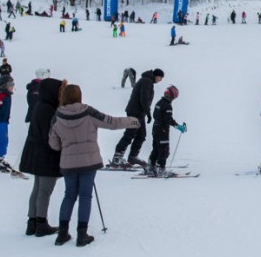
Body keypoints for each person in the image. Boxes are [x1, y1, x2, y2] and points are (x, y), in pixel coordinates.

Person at [49, 84, 139, 246]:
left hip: (68, 163)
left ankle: (62, 234)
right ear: (79, 96)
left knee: (69, 195)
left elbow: (54, 145)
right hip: (88, 162)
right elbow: (112, 122)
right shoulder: (88, 112)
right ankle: (82, 234)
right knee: (85, 196)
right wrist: (132, 121)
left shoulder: (57, 117)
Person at [18, 78, 63, 237]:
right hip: (46, 155)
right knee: (44, 190)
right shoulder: (48, 109)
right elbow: (51, 134)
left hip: (36, 153)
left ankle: (32, 222)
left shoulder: (40, 105)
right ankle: (41, 223)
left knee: (37, 188)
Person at [110, 69, 164, 166]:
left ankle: (132, 157)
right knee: (130, 134)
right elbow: (144, 99)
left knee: (141, 135)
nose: (160, 80)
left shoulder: (147, 81)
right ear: (156, 75)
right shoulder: (147, 81)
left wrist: (146, 113)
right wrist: (148, 113)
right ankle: (117, 158)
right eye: (160, 78)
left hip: (139, 113)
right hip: (135, 112)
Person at [147, 85, 185, 175]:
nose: (173, 99)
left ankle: (151, 166)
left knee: (156, 148)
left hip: (155, 128)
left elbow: (155, 115)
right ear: (171, 96)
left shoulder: (159, 102)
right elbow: (168, 119)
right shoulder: (167, 106)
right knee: (164, 150)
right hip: (162, 130)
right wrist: (178, 126)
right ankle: (161, 169)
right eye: (174, 97)